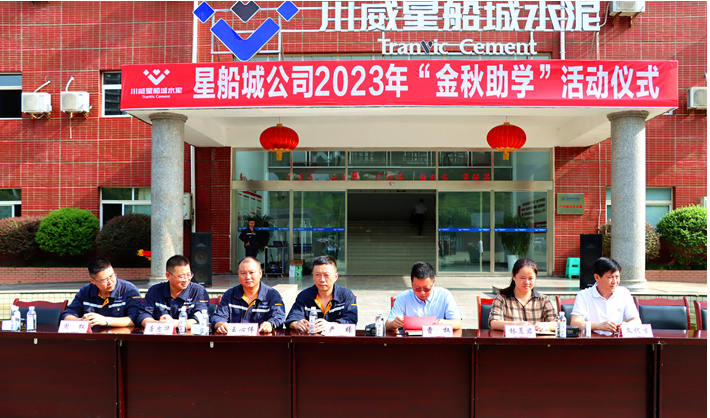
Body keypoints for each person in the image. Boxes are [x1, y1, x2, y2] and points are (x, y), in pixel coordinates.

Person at [211, 257, 285, 334]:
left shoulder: (272, 295)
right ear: (238, 275)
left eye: (252, 272)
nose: (248, 277)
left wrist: (270, 324)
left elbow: (278, 316)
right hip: (235, 340)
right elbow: (218, 316)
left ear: (260, 273)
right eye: (243, 273)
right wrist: (221, 324)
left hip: (262, 339)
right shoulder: (230, 294)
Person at [62, 257, 142, 327]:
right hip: (93, 337)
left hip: (120, 336)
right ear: (93, 281)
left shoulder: (129, 290)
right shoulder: (85, 291)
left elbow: (135, 319)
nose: (110, 282)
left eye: (112, 276)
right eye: (104, 280)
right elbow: (66, 315)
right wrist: (81, 321)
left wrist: (106, 320)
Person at [570, 257, 641, 335]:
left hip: (617, 340)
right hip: (593, 340)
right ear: (597, 277)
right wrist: (599, 326)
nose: (615, 281)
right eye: (610, 277)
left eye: (617, 277)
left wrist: (626, 325)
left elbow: (636, 321)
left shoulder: (624, 293)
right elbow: (575, 323)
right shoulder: (584, 295)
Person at [285, 255, 357, 332]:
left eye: (326, 275)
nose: (322, 280)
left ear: (336, 277)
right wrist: (296, 323)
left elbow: (351, 320)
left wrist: (331, 325)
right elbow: (292, 317)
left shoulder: (346, 296)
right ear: (313, 276)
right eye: (317, 274)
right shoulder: (304, 296)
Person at [137, 255, 210, 329]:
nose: (186, 280)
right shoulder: (155, 290)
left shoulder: (198, 291)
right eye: (181, 277)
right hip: (161, 334)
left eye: (189, 275)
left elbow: (201, 318)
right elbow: (143, 315)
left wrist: (174, 323)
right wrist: (160, 324)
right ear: (168, 276)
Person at [386, 261, 462, 331]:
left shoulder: (444, 295)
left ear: (433, 282)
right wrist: (394, 324)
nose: (422, 293)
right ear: (412, 284)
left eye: (426, 289)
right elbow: (387, 325)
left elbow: (458, 323)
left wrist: (444, 323)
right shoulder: (403, 298)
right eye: (417, 289)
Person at [488, 258, 557, 331]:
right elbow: (493, 323)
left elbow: (557, 323)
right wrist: (516, 325)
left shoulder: (543, 299)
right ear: (514, 277)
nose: (526, 282)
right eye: (522, 278)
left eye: (530, 278)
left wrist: (545, 326)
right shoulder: (502, 298)